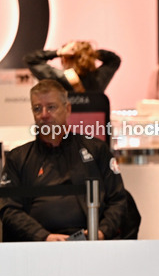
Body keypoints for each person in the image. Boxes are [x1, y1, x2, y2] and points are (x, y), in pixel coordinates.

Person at [0, 80, 129, 242]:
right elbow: (8, 208)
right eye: (37, 108)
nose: (44, 114)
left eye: (51, 107)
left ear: (67, 109)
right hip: (37, 246)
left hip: (91, 244)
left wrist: (101, 232)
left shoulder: (97, 150)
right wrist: (43, 236)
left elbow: (118, 200)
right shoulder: (17, 158)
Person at [24, 41, 120, 93]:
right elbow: (114, 59)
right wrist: (88, 52)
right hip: (94, 128)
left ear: (64, 59)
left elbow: (31, 59)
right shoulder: (99, 79)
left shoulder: (59, 78)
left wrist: (59, 52)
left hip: (66, 128)